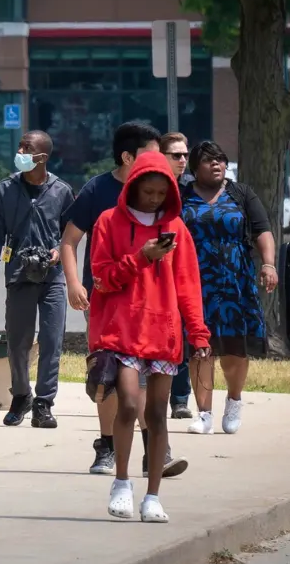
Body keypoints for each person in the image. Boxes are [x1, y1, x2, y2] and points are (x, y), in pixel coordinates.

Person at [88, 151, 211, 523]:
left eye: (162, 193)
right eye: (149, 191)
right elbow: (102, 278)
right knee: (127, 404)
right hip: (121, 330)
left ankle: (153, 496)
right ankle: (122, 483)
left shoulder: (177, 226)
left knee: (158, 414)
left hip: (164, 333)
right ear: (133, 186)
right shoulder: (108, 222)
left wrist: (199, 334)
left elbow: (188, 284)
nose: (155, 199)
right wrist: (141, 256)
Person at [60, 122, 186, 479]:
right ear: (128, 157)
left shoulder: (162, 193)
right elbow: (69, 241)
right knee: (109, 376)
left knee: (144, 381)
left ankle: (154, 450)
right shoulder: (97, 190)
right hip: (107, 299)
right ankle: (106, 447)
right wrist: (73, 283)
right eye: (151, 156)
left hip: (154, 308)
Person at [179, 141, 276, 436]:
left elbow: (262, 230)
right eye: (209, 161)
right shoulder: (182, 196)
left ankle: (234, 401)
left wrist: (269, 264)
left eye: (220, 159)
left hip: (235, 280)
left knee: (235, 349)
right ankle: (204, 413)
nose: (217, 164)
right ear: (195, 168)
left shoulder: (241, 193)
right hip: (195, 281)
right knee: (200, 347)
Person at [0, 130, 74, 428]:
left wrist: (58, 250)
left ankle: (44, 403)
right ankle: (21, 395)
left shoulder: (61, 191)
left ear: (42, 157)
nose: (20, 150)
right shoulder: (5, 189)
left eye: (26, 147)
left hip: (53, 278)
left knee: (51, 340)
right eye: (20, 145)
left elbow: (71, 234)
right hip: (19, 275)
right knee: (18, 342)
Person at [159, 132, 194, 419]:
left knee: (183, 335)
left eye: (185, 155)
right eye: (176, 155)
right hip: (156, 271)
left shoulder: (192, 190)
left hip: (185, 269)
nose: (183, 160)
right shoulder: (150, 190)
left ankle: (180, 399)